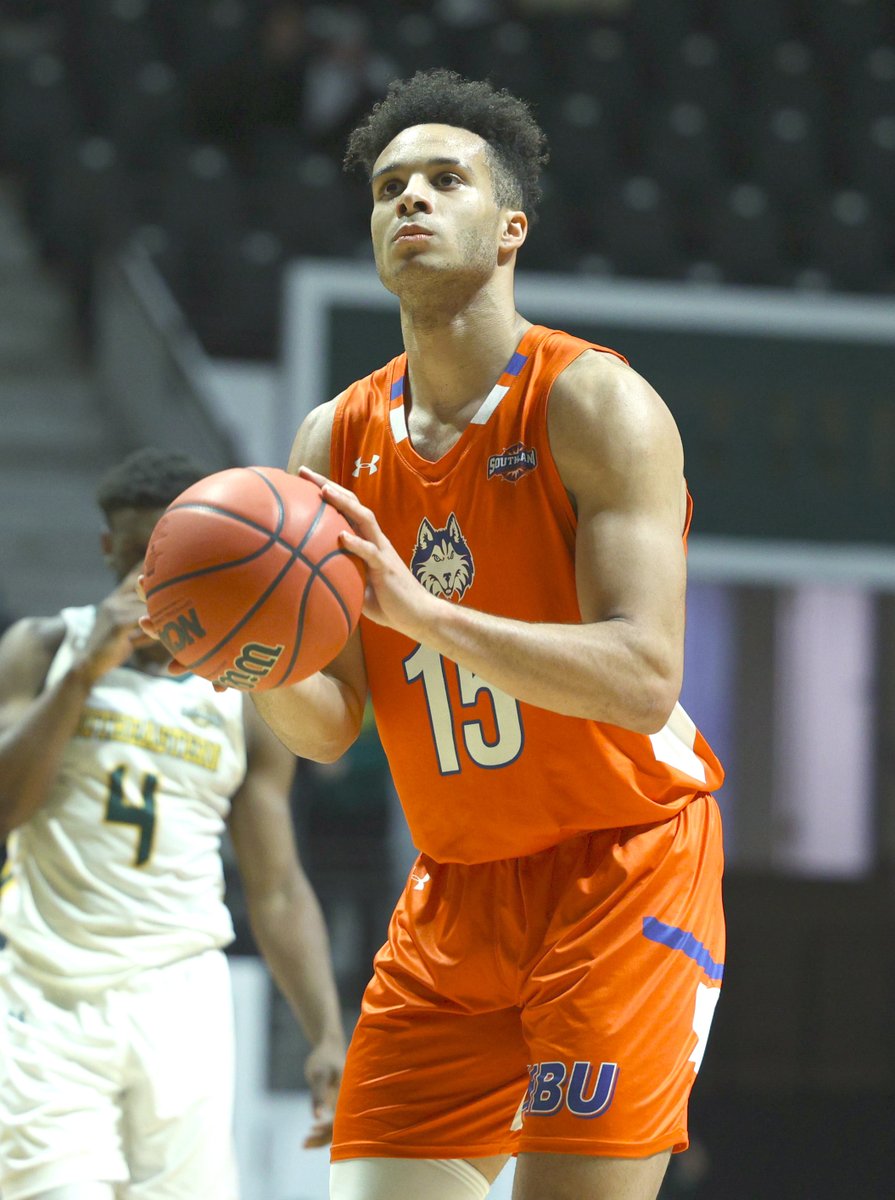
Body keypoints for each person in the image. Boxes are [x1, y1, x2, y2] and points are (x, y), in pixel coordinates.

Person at [193, 67, 725, 1200]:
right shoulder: (332, 441)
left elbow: (642, 677)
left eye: (445, 181)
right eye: (389, 187)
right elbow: (329, 727)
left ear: (510, 227)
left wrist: (420, 613)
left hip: (620, 870)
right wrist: (254, 654)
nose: (411, 203)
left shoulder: (593, 404)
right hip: (456, 890)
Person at [0, 447, 346, 1200]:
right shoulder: (43, 648)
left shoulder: (245, 696)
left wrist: (324, 1027)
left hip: (179, 994)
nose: (145, 578)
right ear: (108, 550)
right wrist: (87, 673)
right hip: (46, 990)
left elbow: (278, 886)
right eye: (133, 555)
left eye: (163, 556)